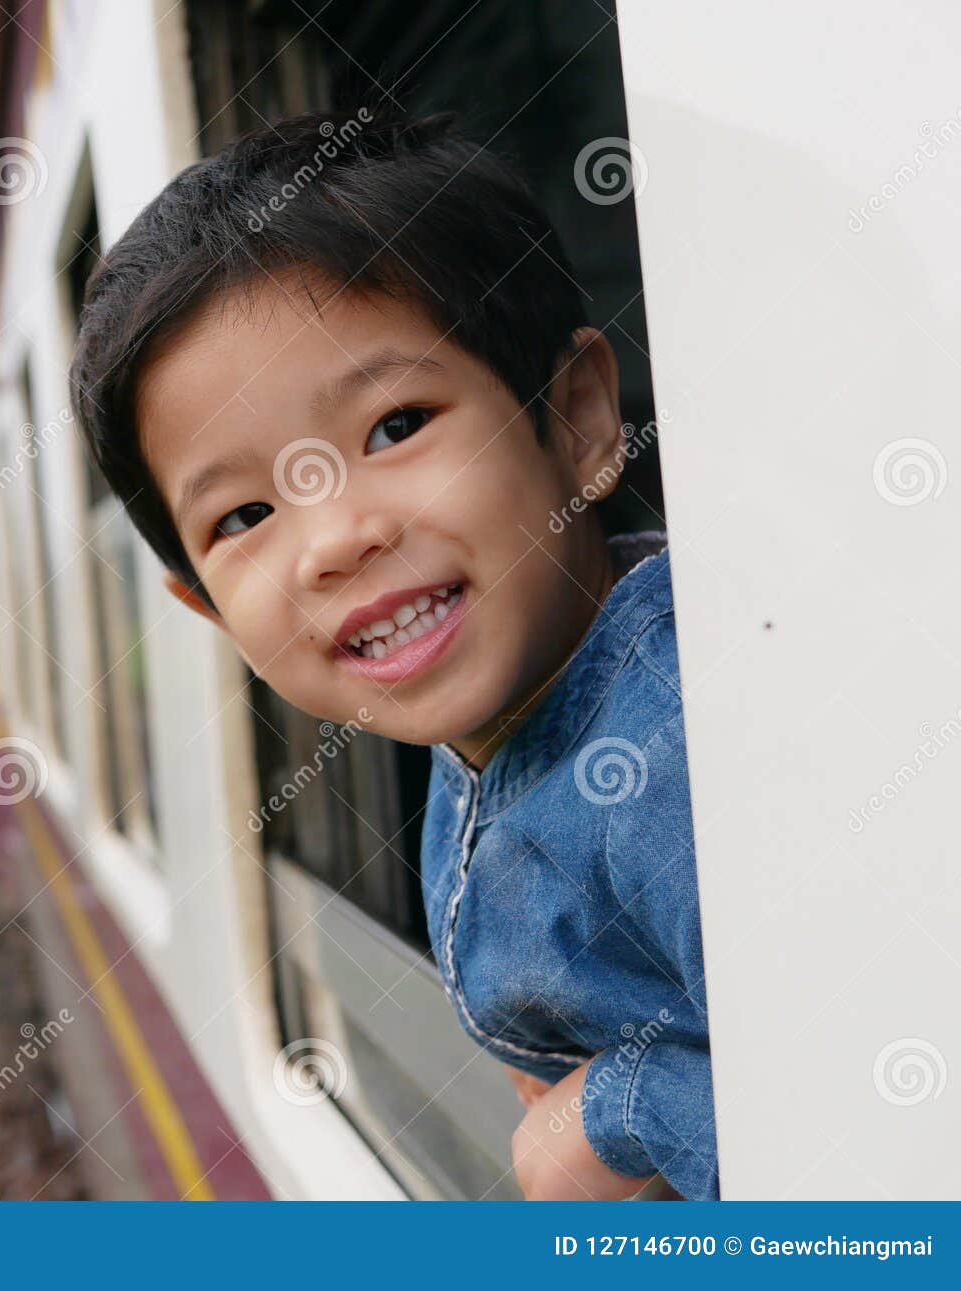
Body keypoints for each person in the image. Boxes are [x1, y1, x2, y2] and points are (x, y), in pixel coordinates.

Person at [69, 111, 716, 1201]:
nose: (334, 538)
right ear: (210, 612)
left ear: (578, 418)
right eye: (241, 516)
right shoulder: (495, 719)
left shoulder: (683, 762)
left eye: (393, 426)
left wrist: (610, 1122)